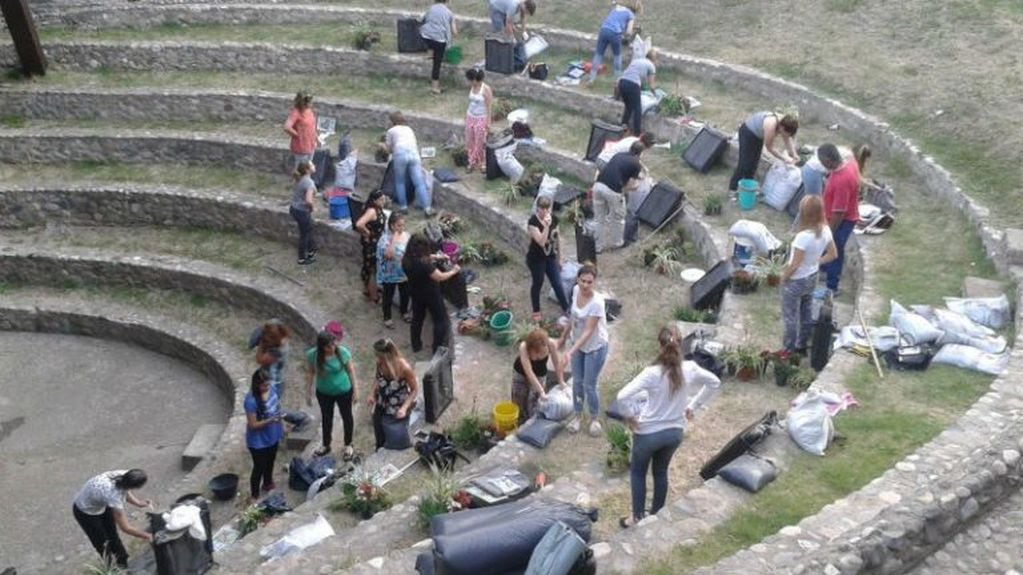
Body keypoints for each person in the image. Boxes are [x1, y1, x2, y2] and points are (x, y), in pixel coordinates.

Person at [616, 326, 720, 528]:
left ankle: (636, 517)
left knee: (638, 473)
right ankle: (657, 514)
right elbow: (714, 382)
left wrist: (629, 416)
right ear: (681, 345)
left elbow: (622, 396)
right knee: (661, 471)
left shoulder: (652, 373)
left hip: (647, 434)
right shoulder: (690, 368)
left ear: (659, 345)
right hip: (674, 433)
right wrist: (693, 407)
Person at [781, 195, 838, 353]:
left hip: (796, 280)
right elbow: (833, 254)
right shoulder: (825, 231)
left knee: (790, 317)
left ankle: (788, 350)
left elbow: (795, 264)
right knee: (806, 312)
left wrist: (783, 277)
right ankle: (801, 345)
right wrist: (815, 262)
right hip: (812, 277)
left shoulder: (803, 237)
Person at [558, 264, 610, 437]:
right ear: (577, 279)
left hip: (595, 347)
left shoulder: (597, 303)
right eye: (582, 281)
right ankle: (578, 415)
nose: (585, 285)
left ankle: (594, 417)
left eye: (589, 282)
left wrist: (570, 352)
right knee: (577, 383)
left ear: (594, 283)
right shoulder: (574, 291)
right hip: (577, 343)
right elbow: (572, 316)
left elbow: (588, 331)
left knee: (589, 384)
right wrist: (564, 337)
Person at [72, 469, 153, 568]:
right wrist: (147, 535)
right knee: (101, 543)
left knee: (112, 535)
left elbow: (125, 489)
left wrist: (139, 503)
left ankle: (122, 561)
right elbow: (126, 528)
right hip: (85, 511)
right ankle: (110, 568)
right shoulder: (113, 496)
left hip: (101, 503)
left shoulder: (123, 474)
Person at [403, 234, 461, 354]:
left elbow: (424, 257)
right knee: (441, 320)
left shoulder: (406, 259)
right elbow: (440, 277)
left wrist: (438, 257)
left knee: (417, 318)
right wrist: (453, 271)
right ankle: (437, 349)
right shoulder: (425, 265)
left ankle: (416, 345)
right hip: (431, 294)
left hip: (415, 292)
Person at [305, 330, 358, 459]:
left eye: (333, 344)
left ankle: (348, 444)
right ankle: (326, 444)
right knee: (326, 417)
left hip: (343, 390)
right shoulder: (313, 355)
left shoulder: (342, 352)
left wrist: (356, 390)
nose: (332, 348)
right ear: (321, 347)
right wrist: (308, 391)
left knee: (347, 416)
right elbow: (311, 372)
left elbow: (350, 371)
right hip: (324, 392)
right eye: (328, 346)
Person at [818, 143, 860, 295]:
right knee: (829, 246)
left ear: (828, 160)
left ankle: (832, 287)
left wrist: (829, 231)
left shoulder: (841, 180)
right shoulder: (849, 164)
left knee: (834, 249)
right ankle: (823, 269)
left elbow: (839, 212)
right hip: (839, 217)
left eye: (821, 161)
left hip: (842, 221)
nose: (821, 165)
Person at [593, 142, 647, 251]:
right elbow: (633, 185)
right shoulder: (636, 164)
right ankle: (618, 243)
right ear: (641, 153)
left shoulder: (619, 155)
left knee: (599, 219)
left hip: (598, 185)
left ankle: (597, 247)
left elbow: (617, 170)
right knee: (618, 218)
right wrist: (627, 189)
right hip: (613, 190)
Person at [728, 111, 799, 194]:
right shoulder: (771, 125)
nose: (784, 135)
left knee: (754, 162)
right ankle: (732, 189)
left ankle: (749, 187)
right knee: (744, 163)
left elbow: (787, 138)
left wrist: (794, 154)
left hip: (758, 136)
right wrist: (785, 158)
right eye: (785, 133)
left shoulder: (785, 123)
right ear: (782, 128)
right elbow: (770, 148)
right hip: (747, 133)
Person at [367, 337, 419, 451]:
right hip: (381, 405)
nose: (378, 359)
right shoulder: (379, 363)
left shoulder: (404, 368)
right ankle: (379, 451)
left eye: (380, 356)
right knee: (379, 435)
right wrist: (371, 393)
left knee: (396, 439)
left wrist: (404, 408)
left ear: (387, 355)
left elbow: (414, 389)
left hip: (397, 408)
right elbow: (377, 379)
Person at [527, 196, 570, 321]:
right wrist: (546, 226)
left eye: (547, 209)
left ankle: (566, 308)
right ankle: (536, 310)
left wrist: (560, 258)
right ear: (538, 209)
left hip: (550, 257)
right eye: (542, 209)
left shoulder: (554, 220)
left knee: (557, 282)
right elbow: (541, 241)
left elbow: (557, 239)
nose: (545, 212)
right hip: (536, 259)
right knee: (538, 283)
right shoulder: (533, 222)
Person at [382, 111, 432, 216]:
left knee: (400, 182)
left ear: (392, 121)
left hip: (400, 154)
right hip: (414, 154)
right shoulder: (409, 129)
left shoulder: (391, 131)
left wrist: (381, 146)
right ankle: (427, 208)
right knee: (419, 183)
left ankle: (403, 207)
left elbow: (389, 150)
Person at [512, 328, 565, 424]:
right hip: (521, 372)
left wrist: (561, 381)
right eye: (535, 353)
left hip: (540, 373)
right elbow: (529, 372)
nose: (537, 356)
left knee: (534, 401)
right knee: (519, 398)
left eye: (540, 352)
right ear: (530, 347)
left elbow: (557, 364)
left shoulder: (551, 344)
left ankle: (532, 423)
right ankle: (519, 422)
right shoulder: (523, 347)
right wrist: (541, 390)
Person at [245, 368, 284, 499]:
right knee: (259, 467)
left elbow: (277, 407)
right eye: (263, 385)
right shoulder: (251, 401)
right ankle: (254, 494)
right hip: (258, 441)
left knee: (271, 460)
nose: (267, 387)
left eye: (268, 384)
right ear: (256, 384)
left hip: (273, 434)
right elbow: (253, 425)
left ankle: (267, 482)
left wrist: (280, 424)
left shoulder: (272, 389)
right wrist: (271, 420)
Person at [589, 0, 641, 84]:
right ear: (635, 11)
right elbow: (628, 32)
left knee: (598, 54)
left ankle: (591, 78)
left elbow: (617, 20)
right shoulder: (631, 15)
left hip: (604, 29)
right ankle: (617, 81)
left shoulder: (618, 8)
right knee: (617, 56)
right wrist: (633, 32)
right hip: (615, 33)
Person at [377, 212, 412, 329]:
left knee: (405, 294)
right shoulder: (384, 239)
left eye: (403, 225)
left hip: (403, 272)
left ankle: (404, 312)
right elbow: (388, 255)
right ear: (392, 226)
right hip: (390, 273)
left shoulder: (406, 235)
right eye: (399, 226)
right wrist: (394, 240)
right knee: (388, 295)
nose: (401, 228)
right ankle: (387, 317)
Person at [356, 190, 387, 305]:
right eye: (381, 200)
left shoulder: (377, 209)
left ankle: (367, 289)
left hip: (375, 242)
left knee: (369, 267)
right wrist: (368, 233)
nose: (383, 202)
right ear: (374, 201)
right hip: (371, 244)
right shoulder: (372, 211)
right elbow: (359, 224)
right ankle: (373, 296)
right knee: (372, 269)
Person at [420, 0, 458, 95]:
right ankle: (435, 87)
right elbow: (454, 31)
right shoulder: (449, 13)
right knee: (437, 63)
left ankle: (430, 53)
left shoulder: (430, 8)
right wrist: (455, 36)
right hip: (439, 41)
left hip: (426, 36)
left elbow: (422, 20)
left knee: (429, 37)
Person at [618, 48, 657, 137]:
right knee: (637, 109)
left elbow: (631, 72)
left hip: (622, 82)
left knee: (628, 106)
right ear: (654, 59)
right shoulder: (651, 66)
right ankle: (637, 133)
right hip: (633, 85)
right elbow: (651, 85)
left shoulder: (637, 60)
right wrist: (655, 95)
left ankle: (623, 126)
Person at [464, 68, 493, 173]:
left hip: (481, 117)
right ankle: (471, 161)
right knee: (470, 140)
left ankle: (483, 163)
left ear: (475, 80)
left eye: (471, 80)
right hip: (470, 116)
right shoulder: (473, 87)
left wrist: (488, 122)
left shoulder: (486, 89)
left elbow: (489, 107)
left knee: (480, 141)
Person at [289, 160, 318, 265]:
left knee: (307, 230)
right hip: (301, 211)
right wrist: (312, 208)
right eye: (312, 165)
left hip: (294, 208)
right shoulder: (309, 182)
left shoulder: (300, 178)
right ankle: (302, 258)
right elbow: (308, 200)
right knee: (305, 234)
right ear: (307, 170)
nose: (315, 166)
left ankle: (311, 251)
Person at [254, 320, 291, 401]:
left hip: (272, 384)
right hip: (269, 378)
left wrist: (261, 344)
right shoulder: (283, 340)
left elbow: (259, 359)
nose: (264, 337)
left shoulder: (277, 351)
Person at [283, 91, 317, 171]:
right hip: (301, 147)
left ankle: (307, 182)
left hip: (311, 144)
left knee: (308, 167)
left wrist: (316, 138)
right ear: (303, 103)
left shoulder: (309, 110)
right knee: (300, 169)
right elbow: (287, 127)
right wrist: (298, 135)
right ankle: (300, 183)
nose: (312, 103)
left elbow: (312, 125)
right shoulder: (296, 113)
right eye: (310, 102)